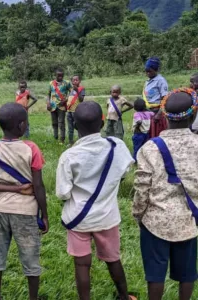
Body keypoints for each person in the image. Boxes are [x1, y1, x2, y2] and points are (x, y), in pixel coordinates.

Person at [56, 101, 136, 300]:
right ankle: (124, 296)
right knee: (113, 260)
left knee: (82, 264)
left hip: (78, 219)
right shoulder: (117, 146)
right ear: (102, 123)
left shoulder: (69, 156)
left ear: (74, 125)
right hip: (107, 217)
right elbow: (125, 171)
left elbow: (63, 193)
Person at [133, 89, 198, 300]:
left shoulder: (150, 148)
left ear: (165, 115)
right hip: (189, 221)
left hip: (155, 221)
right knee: (187, 273)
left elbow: (142, 187)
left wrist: (138, 215)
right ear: (193, 115)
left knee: (155, 274)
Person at [0, 103, 49, 300]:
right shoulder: (31, 148)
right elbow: (38, 186)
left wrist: (11, 188)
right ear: (21, 126)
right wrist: (44, 215)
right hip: (26, 212)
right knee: (30, 257)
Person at [143, 57, 169, 138]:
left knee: (157, 135)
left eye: (150, 71)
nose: (147, 73)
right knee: (149, 135)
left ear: (156, 70)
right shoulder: (147, 81)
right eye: (146, 71)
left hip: (157, 113)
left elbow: (165, 99)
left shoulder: (161, 81)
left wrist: (159, 114)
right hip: (148, 113)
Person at [47, 68, 72, 144]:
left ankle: (62, 139)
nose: (60, 77)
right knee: (54, 123)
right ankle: (55, 137)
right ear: (55, 75)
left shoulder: (67, 83)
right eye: (58, 76)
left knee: (61, 123)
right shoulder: (51, 83)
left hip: (62, 106)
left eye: (62, 76)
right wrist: (48, 103)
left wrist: (66, 100)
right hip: (52, 106)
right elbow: (48, 94)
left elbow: (72, 93)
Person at [66, 76, 85, 145]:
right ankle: (71, 142)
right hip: (69, 111)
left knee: (78, 126)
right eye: (73, 80)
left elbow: (81, 99)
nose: (75, 81)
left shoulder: (81, 89)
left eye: (76, 80)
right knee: (70, 128)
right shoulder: (71, 90)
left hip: (76, 111)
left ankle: (81, 141)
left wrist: (77, 91)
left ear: (79, 81)